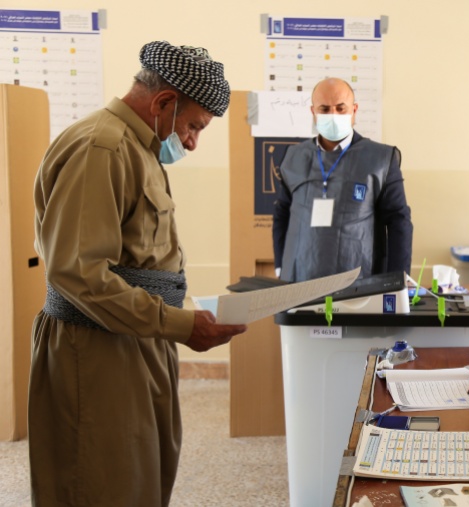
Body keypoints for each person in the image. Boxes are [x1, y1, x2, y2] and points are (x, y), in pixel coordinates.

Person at [29, 41, 247, 506]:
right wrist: (181, 325)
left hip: (137, 337)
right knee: (100, 485)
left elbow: (136, 259)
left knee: (141, 482)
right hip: (96, 348)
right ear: (164, 102)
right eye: (193, 126)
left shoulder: (138, 147)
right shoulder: (101, 149)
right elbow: (80, 273)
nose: (191, 142)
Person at [272, 77, 413, 282]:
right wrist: (280, 266)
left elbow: (399, 221)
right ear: (313, 112)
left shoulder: (381, 159)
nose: (333, 115)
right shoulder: (294, 157)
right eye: (325, 109)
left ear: (354, 110)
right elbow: (281, 214)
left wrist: (398, 278)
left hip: (359, 281)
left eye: (340, 108)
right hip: (298, 281)